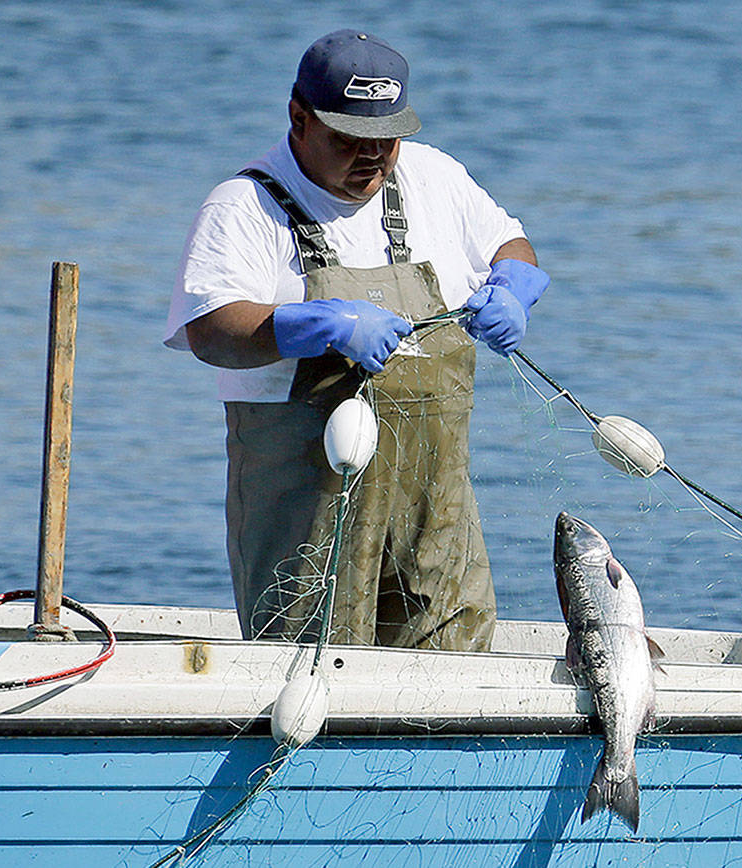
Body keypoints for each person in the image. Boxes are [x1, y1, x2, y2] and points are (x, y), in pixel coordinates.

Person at [164, 30, 549, 652]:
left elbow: (509, 242)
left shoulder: (434, 176)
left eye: (386, 140)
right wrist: (311, 325)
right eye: (349, 140)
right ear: (299, 117)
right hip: (305, 507)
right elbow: (211, 331)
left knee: (451, 656)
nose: (371, 157)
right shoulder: (243, 207)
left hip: (435, 507)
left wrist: (514, 283)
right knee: (310, 665)